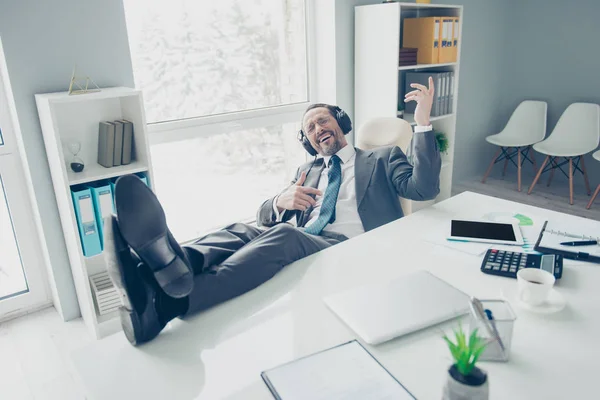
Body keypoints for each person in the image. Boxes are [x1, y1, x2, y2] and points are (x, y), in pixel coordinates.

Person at [105, 77, 441, 345]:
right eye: (310, 129)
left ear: (340, 122)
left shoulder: (381, 158)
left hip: (347, 245)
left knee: (284, 235)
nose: (317, 129)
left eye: (322, 120)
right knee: (242, 229)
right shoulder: (307, 171)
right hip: (302, 236)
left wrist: (423, 123)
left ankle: (167, 302)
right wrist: (279, 200)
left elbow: (423, 189)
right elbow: (264, 216)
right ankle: (166, 271)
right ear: (307, 141)